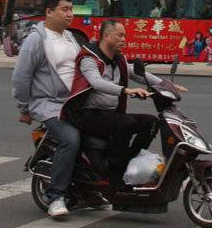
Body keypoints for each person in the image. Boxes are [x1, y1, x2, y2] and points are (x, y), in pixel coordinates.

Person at [62, 20, 188, 185]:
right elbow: (96, 82)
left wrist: (166, 85)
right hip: (87, 115)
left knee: (151, 122)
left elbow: (139, 74)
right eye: (120, 35)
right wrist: (125, 90)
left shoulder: (118, 58)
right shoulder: (89, 58)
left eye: (124, 36)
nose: (124, 40)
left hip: (109, 114)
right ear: (106, 36)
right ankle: (115, 170)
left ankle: (128, 160)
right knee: (126, 123)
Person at [12, 0, 82, 218]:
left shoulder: (70, 37)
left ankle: (93, 190)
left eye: (71, 9)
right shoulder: (36, 39)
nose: (69, 14)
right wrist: (24, 108)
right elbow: (21, 77)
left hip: (74, 103)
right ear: (49, 12)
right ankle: (56, 197)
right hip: (49, 104)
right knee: (69, 140)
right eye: (64, 9)